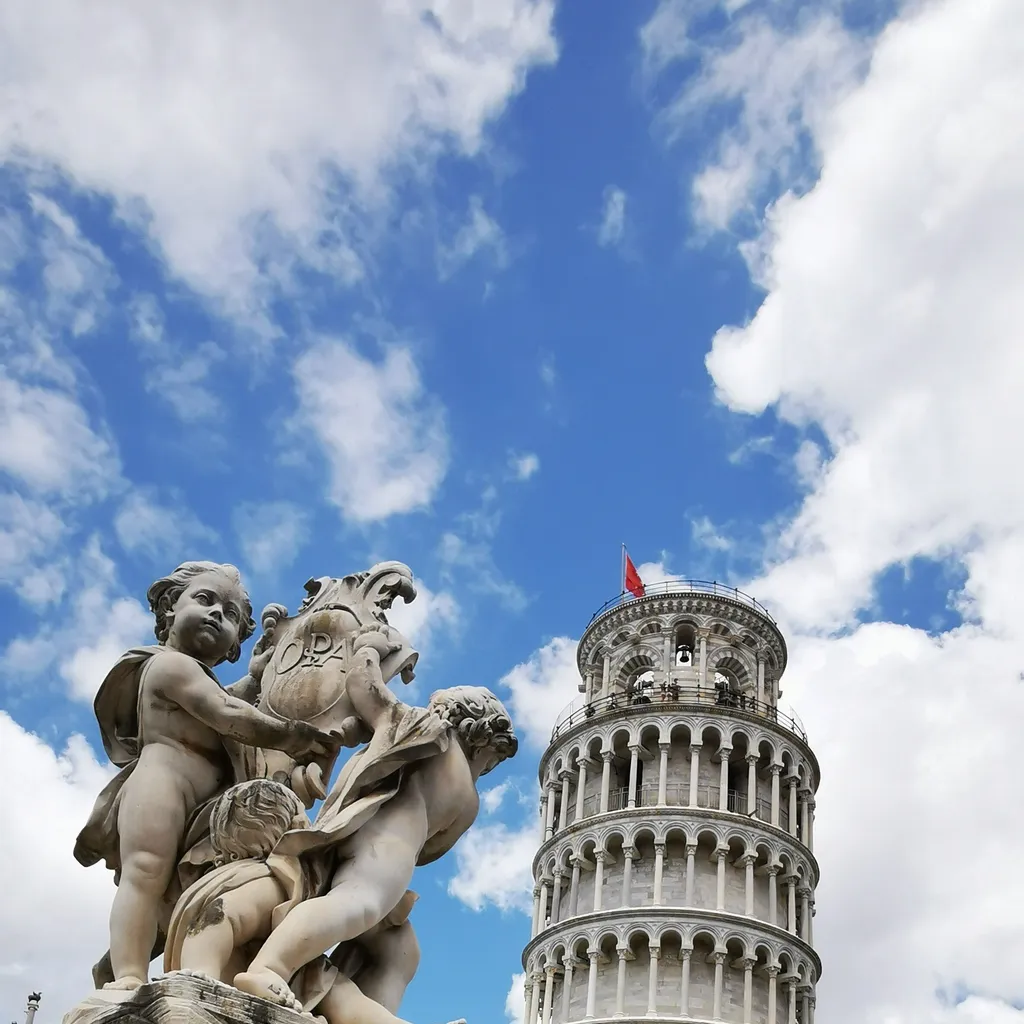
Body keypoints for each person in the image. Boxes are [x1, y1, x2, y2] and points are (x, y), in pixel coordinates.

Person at [74, 561, 341, 992]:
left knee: (172, 890)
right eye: (205, 599)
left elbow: (225, 699)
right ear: (168, 611)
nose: (218, 613)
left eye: (231, 614)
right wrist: (295, 737)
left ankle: (144, 960)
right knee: (145, 875)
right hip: (161, 786)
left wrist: (255, 677)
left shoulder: (200, 679)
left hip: (204, 803)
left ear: (235, 641)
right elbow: (226, 714)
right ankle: (127, 975)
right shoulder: (168, 667)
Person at [233, 642, 517, 1010]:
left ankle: (364, 1012)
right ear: (480, 738)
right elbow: (432, 848)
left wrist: (369, 653)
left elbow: (368, 690)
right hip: (391, 850)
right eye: (492, 758)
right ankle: (269, 967)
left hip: (367, 835)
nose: (488, 767)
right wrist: (366, 647)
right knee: (358, 904)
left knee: (400, 949)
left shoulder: (428, 739)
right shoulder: (446, 755)